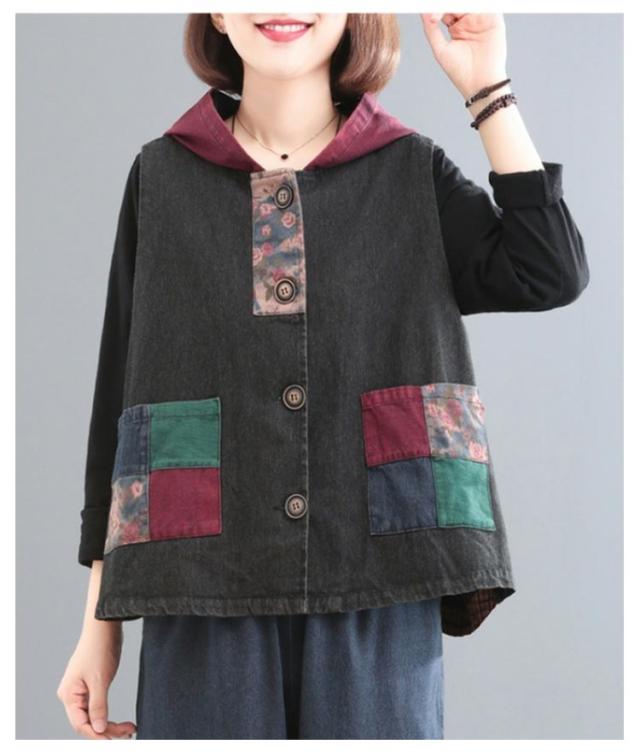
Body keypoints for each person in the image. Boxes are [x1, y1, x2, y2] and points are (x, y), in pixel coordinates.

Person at [56, 12, 589, 740]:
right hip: (201, 582)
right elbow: (121, 396)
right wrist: (99, 622)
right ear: (217, 12)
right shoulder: (162, 175)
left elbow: (547, 268)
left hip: (381, 576)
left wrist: (487, 88)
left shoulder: (409, 169)